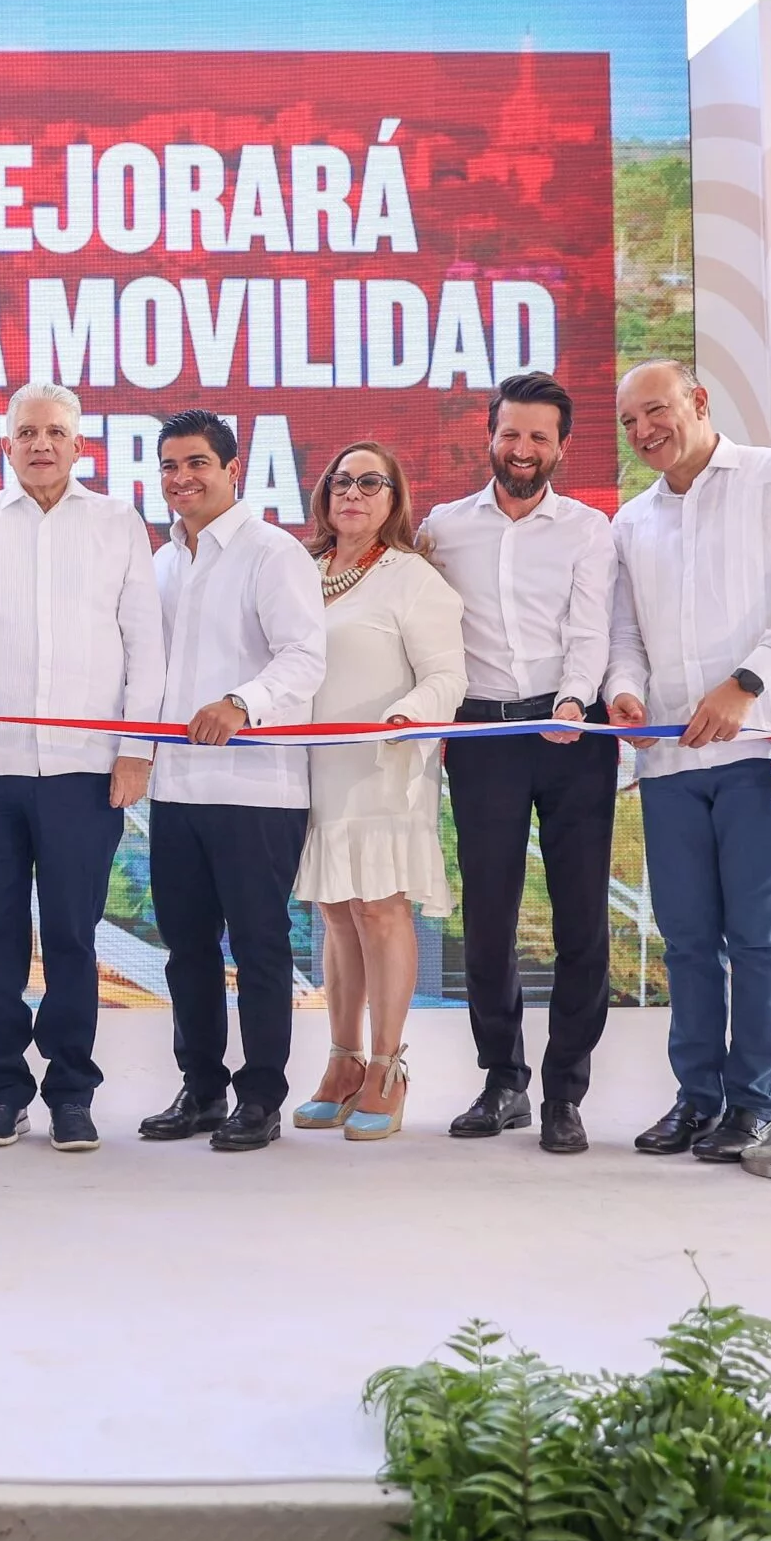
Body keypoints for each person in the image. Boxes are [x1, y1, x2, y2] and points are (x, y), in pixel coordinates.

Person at [607, 360, 771, 1162]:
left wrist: (746, 684)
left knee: (759, 940)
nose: (644, 432)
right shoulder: (630, 522)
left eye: (657, 411)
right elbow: (626, 638)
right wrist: (628, 697)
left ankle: (755, 1104)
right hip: (671, 762)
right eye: (630, 422)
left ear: (699, 402)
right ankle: (695, 1098)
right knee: (685, 940)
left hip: (766, 749)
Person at [0, 381, 164, 1154]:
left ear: (78, 445)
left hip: (84, 769)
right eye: (26, 432)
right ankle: (2, 1090)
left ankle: (71, 1091)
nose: (40, 444)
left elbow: (145, 646)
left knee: (71, 934)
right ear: (6, 446)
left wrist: (137, 750)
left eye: (55, 433)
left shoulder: (117, 524)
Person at [419, 372, 617, 1156]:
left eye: (539, 437)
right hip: (481, 737)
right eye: (511, 434)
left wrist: (574, 701)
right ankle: (503, 1080)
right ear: (490, 437)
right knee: (489, 915)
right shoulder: (442, 526)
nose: (523, 449)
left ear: (561, 446)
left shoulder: (588, 529)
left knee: (579, 918)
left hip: (571, 731)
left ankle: (567, 1091)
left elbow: (592, 629)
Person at [139, 412, 327, 1153]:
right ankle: (201, 1089)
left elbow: (305, 658)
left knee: (258, 949)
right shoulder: (160, 561)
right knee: (185, 949)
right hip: (177, 786)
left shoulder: (272, 554)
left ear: (233, 468)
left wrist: (241, 703)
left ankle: (261, 1097)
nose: (181, 478)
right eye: (168, 466)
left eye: (196, 463)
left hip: (257, 788)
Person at [289, 442, 465, 1143]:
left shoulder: (412, 578)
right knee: (336, 911)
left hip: (386, 766)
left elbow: (447, 677)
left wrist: (406, 718)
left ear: (394, 498)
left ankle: (388, 1069)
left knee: (381, 910)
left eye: (371, 481)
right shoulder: (301, 572)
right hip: (316, 768)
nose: (353, 492)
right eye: (342, 481)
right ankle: (342, 1062)